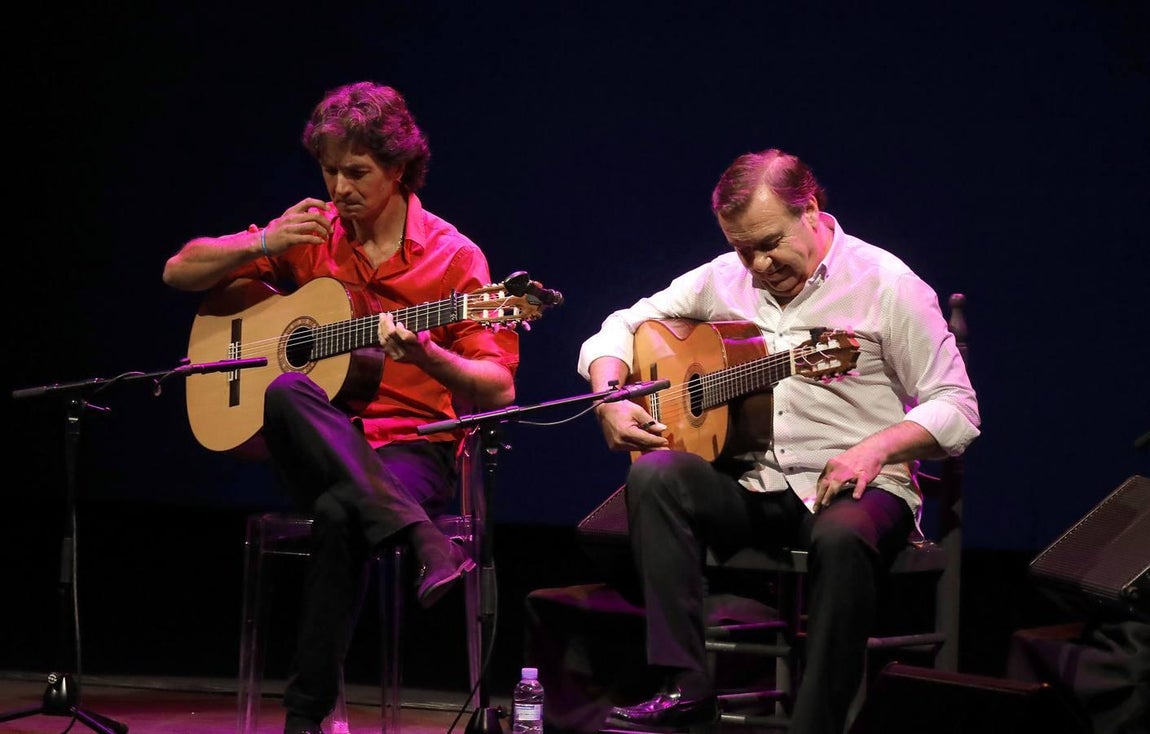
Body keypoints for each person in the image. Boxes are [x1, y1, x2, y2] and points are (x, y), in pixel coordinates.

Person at [576, 148, 980, 734]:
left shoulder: (886, 284)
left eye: (769, 242)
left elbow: (958, 407)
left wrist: (876, 448)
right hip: (753, 483)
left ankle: (814, 723)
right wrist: (611, 395)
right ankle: (686, 686)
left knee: (842, 538)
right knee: (655, 474)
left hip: (857, 487)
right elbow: (619, 325)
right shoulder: (723, 277)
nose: (759, 263)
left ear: (810, 211)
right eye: (743, 248)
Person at [163, 81, 519, 734]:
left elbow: (497, 388)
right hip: (318, 442)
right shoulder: (308, 235)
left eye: (356, 172)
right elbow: (178, 271)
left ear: (401, 169)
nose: (339, 187)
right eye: (329, 170)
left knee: (339, 515)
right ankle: (420, 538)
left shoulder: (455, 258)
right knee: (289, 389)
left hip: (414, 451)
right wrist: (261, 242)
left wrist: (430, 359)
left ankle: (302, 719)